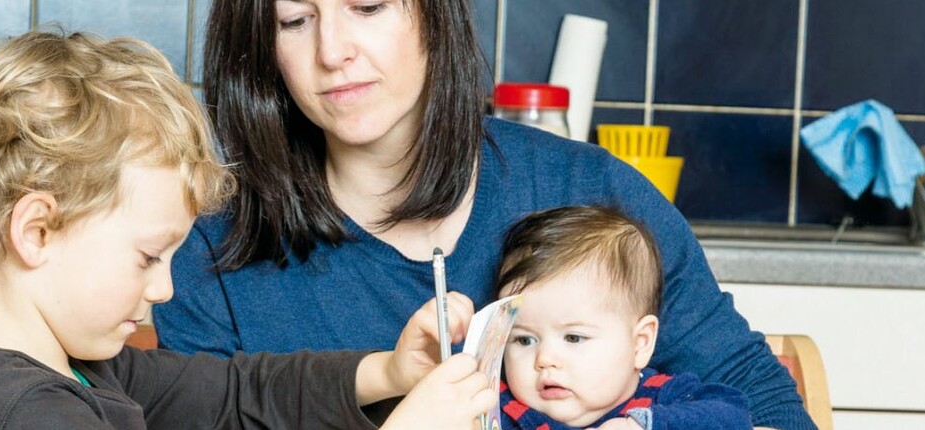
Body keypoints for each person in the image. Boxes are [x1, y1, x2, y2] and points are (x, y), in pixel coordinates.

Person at [154, 0, 813, 428]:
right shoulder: (210, 250)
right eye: (295, 20)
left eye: (367, 6)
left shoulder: (590, 191)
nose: (333, 51)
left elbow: (766, 406)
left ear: (433, 15)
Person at [0, 30, 496, 429]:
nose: (164, 290)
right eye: (148, 256)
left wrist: (389, 373)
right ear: (37, 232)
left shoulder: (82, 368)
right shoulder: (25, 414)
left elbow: (239, 393)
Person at [495, 206, 751, 430]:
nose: (545, 360)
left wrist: (641, 426)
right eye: (525, 340)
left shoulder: (665, 398)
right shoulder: (499, 410)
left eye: (573, 337)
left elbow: (735, 418)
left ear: (640, 343)